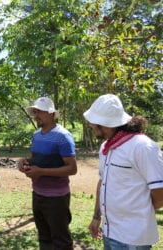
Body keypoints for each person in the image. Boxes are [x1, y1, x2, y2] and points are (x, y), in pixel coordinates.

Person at [83, 94, 163, 249]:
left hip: (132, 238)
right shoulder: (106, 147)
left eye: (93, 122)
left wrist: (140, 211)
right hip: (110, 231)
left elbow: (160, 193)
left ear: (106, 124)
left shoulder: (142, 147)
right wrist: (96, 217)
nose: (91, 126)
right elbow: (103, 182)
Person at [18, 97, 77, 250]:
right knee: (44, 237)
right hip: (38, 194)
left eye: (40, 112)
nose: (36, 115)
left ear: (52, 114)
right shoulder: (36, 135)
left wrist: (41, 172)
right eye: (35, 112)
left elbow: (72, 168)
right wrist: (25, 162)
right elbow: (37, 160)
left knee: (61, 240)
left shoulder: (63, 136)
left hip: (57, 198)